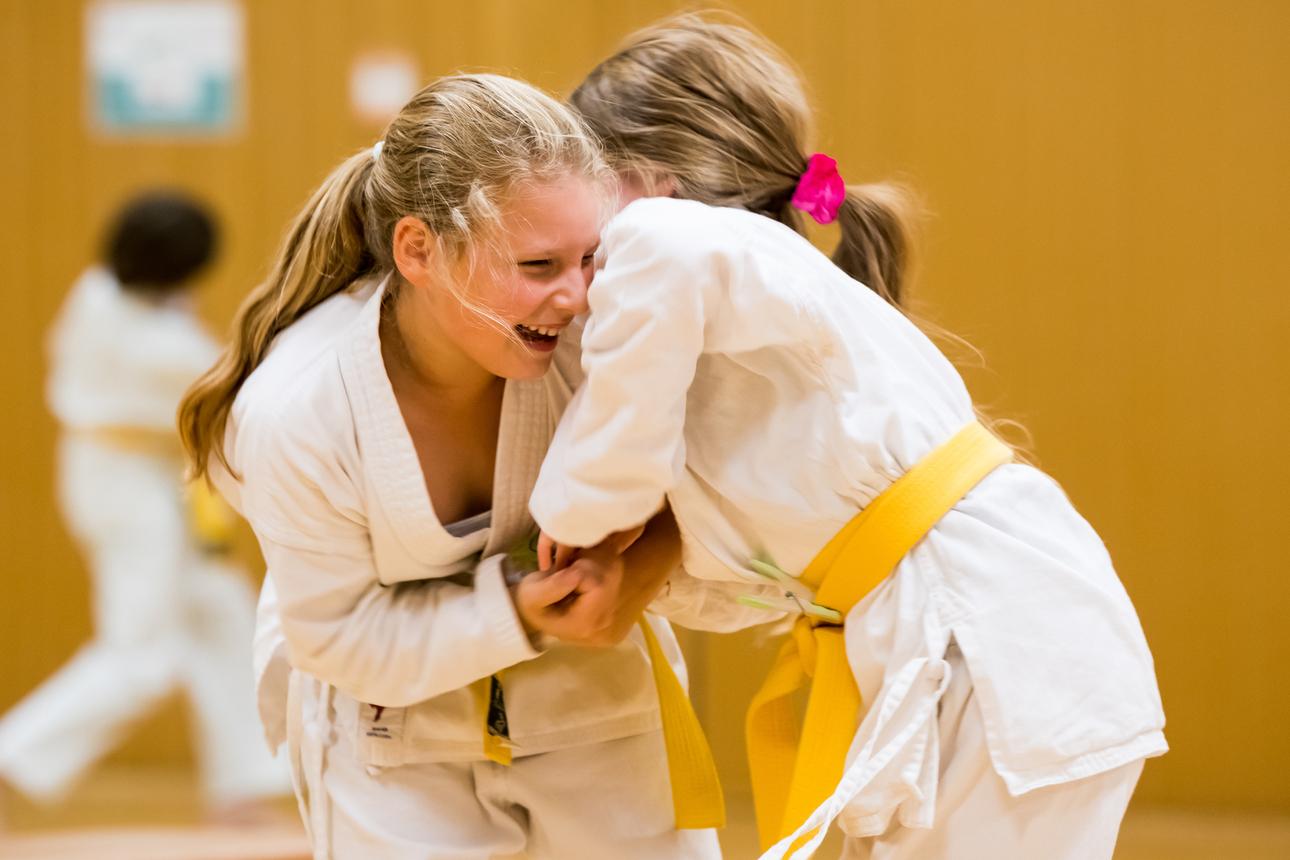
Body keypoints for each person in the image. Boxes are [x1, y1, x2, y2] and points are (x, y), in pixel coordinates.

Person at [531, 14, 1167, 859]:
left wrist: (573, 513)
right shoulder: (745, 300)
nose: (577, 244)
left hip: (999, 639)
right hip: (978, 629)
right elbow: (732, 561)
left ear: (651, 181)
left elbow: (622, 436)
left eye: (585, 188)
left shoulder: (666, 241)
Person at [178, 74, 750, 859]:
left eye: (590, 257)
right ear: (418, 250)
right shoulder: (300, 409)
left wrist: (638, 572)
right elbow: (338, 635)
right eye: (540, 265)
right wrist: (513, 612)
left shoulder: (605, 339)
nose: (576, 295)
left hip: (597, 700)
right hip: (388, 735)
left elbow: (701, 489)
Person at [0, 191, 287, 822]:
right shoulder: (156, 344)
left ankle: (243, 783)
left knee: (223, 615)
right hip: (126, 492)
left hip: (140, 480)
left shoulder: (99, 290)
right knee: (143, 657)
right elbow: (230, 392)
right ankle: (12, 757)